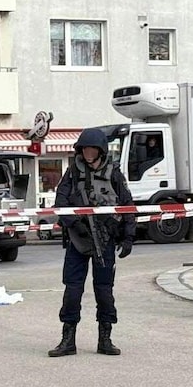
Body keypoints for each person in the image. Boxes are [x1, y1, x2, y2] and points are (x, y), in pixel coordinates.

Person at [48, 128, 136, 357]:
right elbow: (61, 201)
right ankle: (68, 339)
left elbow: (127, 205)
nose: (87, 153)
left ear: (100, 151)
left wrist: (128, 236)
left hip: (104, 240)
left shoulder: (113, 173)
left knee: (104, 290)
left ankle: (105, 338)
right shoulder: (72, 173)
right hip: (78, 239)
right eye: (84, 149)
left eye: (92, 149)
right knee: (72, 290)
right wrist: (74, 224)